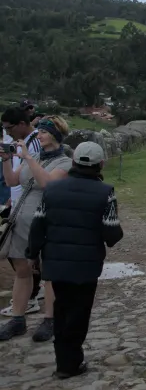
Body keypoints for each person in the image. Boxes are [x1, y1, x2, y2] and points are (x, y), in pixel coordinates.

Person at [28, 142, 123, 380]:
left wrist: (33, 254)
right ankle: (71, 362)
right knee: (79, 312)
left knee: (61, 308)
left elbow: (38, 224)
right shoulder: (105, 192)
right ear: (101, 164)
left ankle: (63, 360)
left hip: (56, 260)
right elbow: (111, 233)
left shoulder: (52, 190)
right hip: (86, 264)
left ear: (73, 162)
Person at [0, 114, 72, 342]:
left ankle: (49, 320)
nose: (38, 135)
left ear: (55, 135)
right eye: (39, 131)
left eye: (43, 132)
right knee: (22, 270)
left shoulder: (65, 162)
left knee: (49, 273)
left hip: (47, 222)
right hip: (21, 221)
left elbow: (47, 183)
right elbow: (12, 181)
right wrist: (6, 159)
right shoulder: (34, 157)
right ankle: (17, 319)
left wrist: (29, 158)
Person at [0, 109, 43, 318]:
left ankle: (31, 297)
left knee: (23, 255)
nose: (8, 132)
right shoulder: (20, 143)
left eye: (10, 128)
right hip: (18, 202)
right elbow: (14, 178)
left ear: (22, 124)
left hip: (30, 205)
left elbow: (35, 176)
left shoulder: (34, 144)